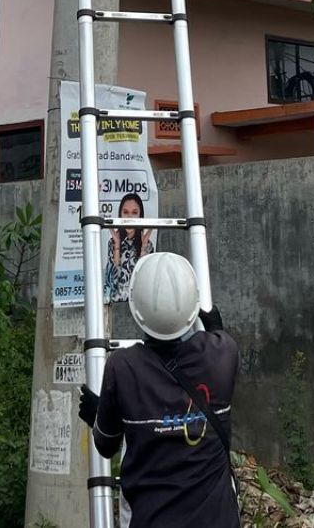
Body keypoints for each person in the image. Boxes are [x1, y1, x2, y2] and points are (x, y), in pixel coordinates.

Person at [79, 252, 238, 528]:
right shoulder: (223, 352)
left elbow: (106, 445)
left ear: (135, 305)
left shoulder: (122, 367)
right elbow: (217, 343)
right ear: (193, 304)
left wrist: (99, 415)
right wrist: (216, 329)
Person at [106, 193, 155, 304]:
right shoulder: (112, 243)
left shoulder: (148, 245)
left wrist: (143, 249)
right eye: (125, 212)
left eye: (134, 213)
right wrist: (117, 245)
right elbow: (112, 283)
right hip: (117, 306)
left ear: (140, 215)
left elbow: (145, 283)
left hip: (139, 306)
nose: (129, 217)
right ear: (120, 214)